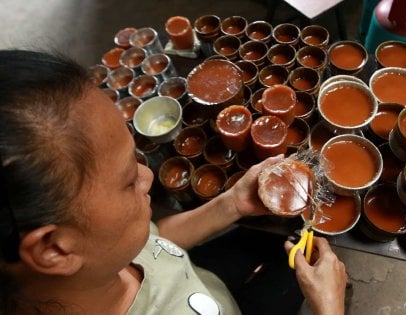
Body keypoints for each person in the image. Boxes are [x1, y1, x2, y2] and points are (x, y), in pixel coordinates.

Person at [0, 49, 347, 315]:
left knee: (277, 250)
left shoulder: (102, 252)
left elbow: (154, 244)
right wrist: (329, 308)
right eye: (127, 181)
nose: (148, 176)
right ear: (54, 249)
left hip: (199, 283)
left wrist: (231, 204)